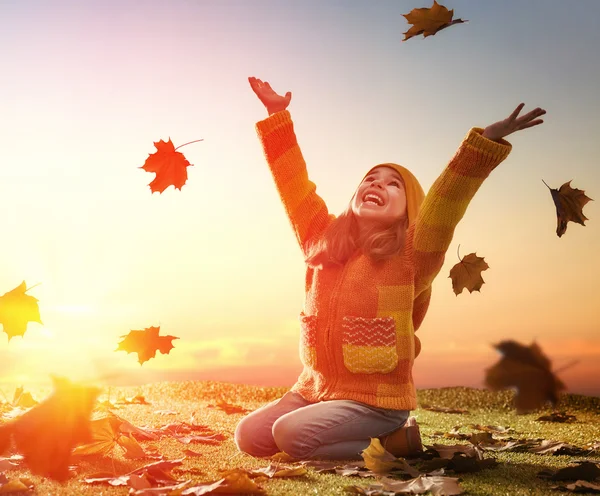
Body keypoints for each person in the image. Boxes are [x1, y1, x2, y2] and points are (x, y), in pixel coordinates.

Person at [235, 76, 546, 461]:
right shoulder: (321, 240)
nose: (378, 183)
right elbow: (293, 185)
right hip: (312, 390)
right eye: (370, 178)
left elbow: (447, 200)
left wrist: (484, 144)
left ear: (410, 209)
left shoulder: (413, 253)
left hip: (376, 402)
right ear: (355, 197)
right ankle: (356, 438)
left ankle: (394, 440)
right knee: (249, 436)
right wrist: (277, 117)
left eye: (393, 184)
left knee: (291, 436)